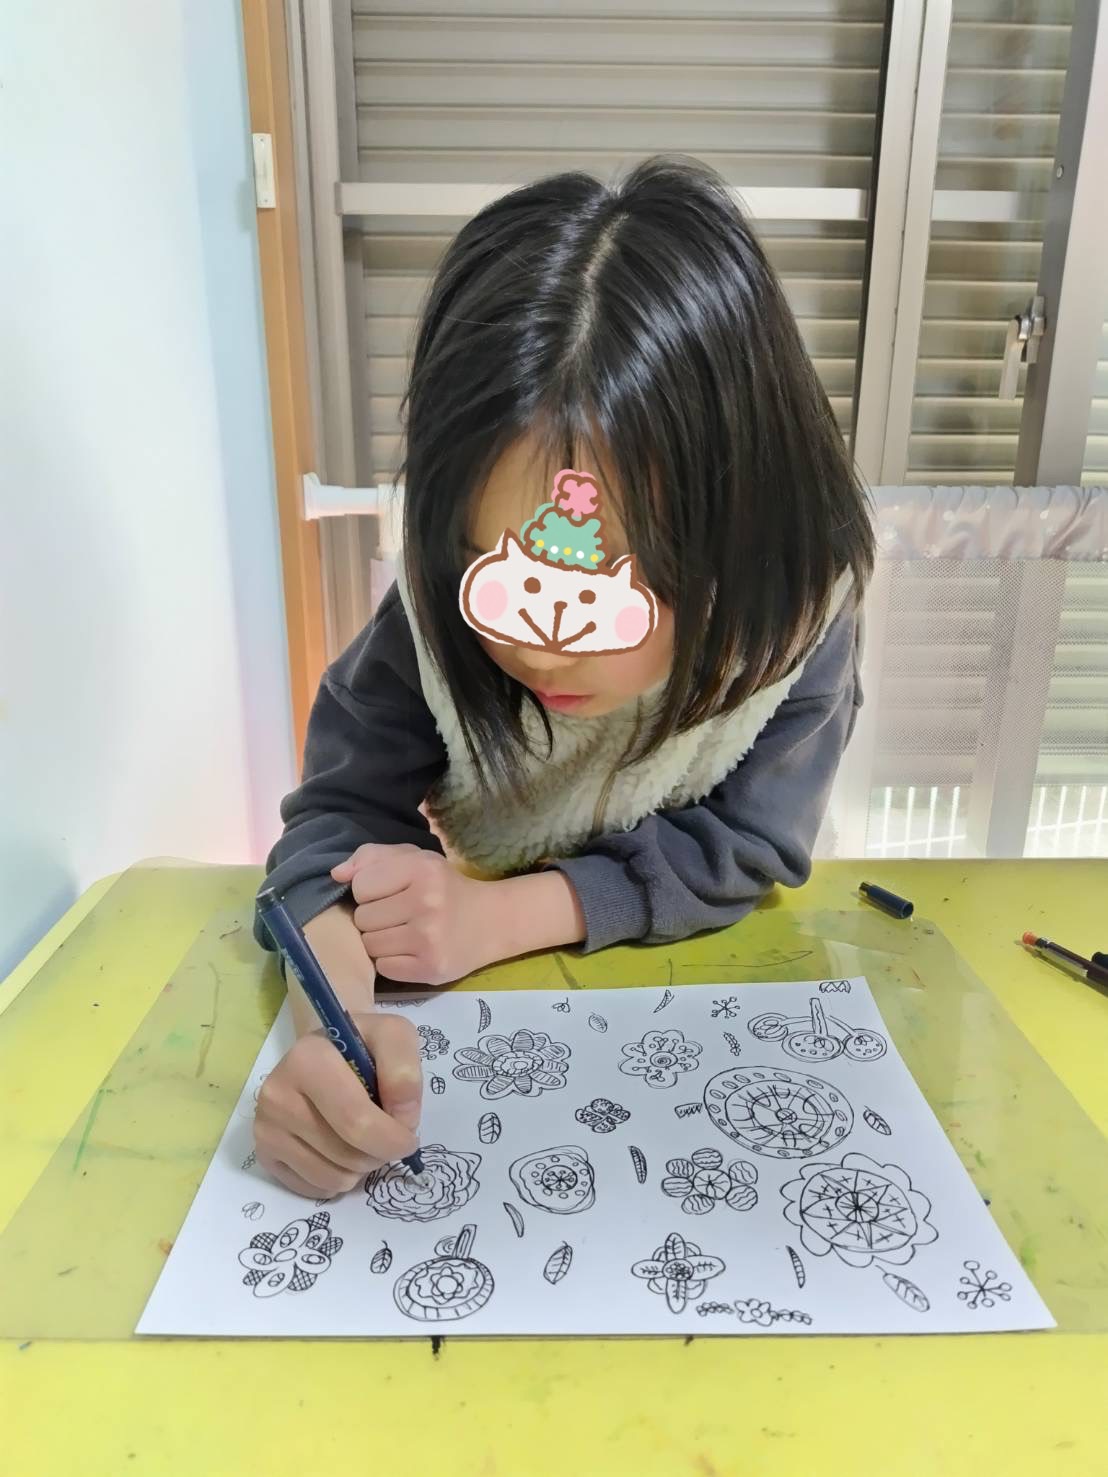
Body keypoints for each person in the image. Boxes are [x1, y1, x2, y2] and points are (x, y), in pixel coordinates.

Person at [251, 154, 874, 1197]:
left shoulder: (797, 615)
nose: (545, 647)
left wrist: (496, 918)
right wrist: (336, 1019)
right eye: (502, 578)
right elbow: (333, 826)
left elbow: (748, 844)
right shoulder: (434, 617)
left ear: (746, 533)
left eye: (612, 594)